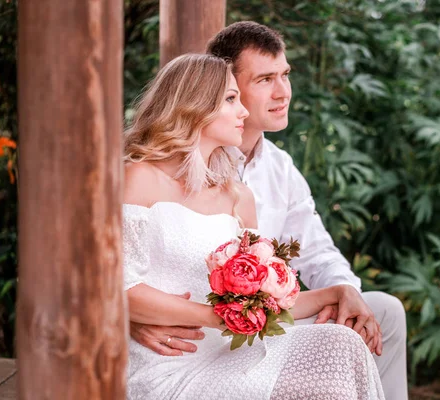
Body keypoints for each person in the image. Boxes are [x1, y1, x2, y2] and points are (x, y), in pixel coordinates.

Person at [130, 22, 408, 400]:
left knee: (360, 329)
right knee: (331, 361)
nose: (282, 92)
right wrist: (131, 318)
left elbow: (304, 263)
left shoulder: (252, 186)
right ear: (204, 96)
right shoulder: (141, 177)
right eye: (263, 80)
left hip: (240, 336)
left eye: (285, 75)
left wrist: (343, 291)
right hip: (184, 352)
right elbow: (106, 279)